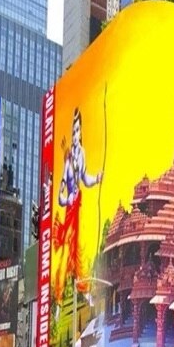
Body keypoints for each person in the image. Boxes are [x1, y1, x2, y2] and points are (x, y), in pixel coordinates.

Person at [52, 108, 103, 317]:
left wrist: (98, 178)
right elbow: (60, 194)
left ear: (80, 133)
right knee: (64, 256)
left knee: (81, 249)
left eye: (77, 131)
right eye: (73, 132)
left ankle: (85, 290)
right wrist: (66, 199)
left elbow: (86, 179)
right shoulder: (67, 159)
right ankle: (58, 301)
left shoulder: (81, 153)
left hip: (79, 208)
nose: (74, 136)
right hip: (69, 211)